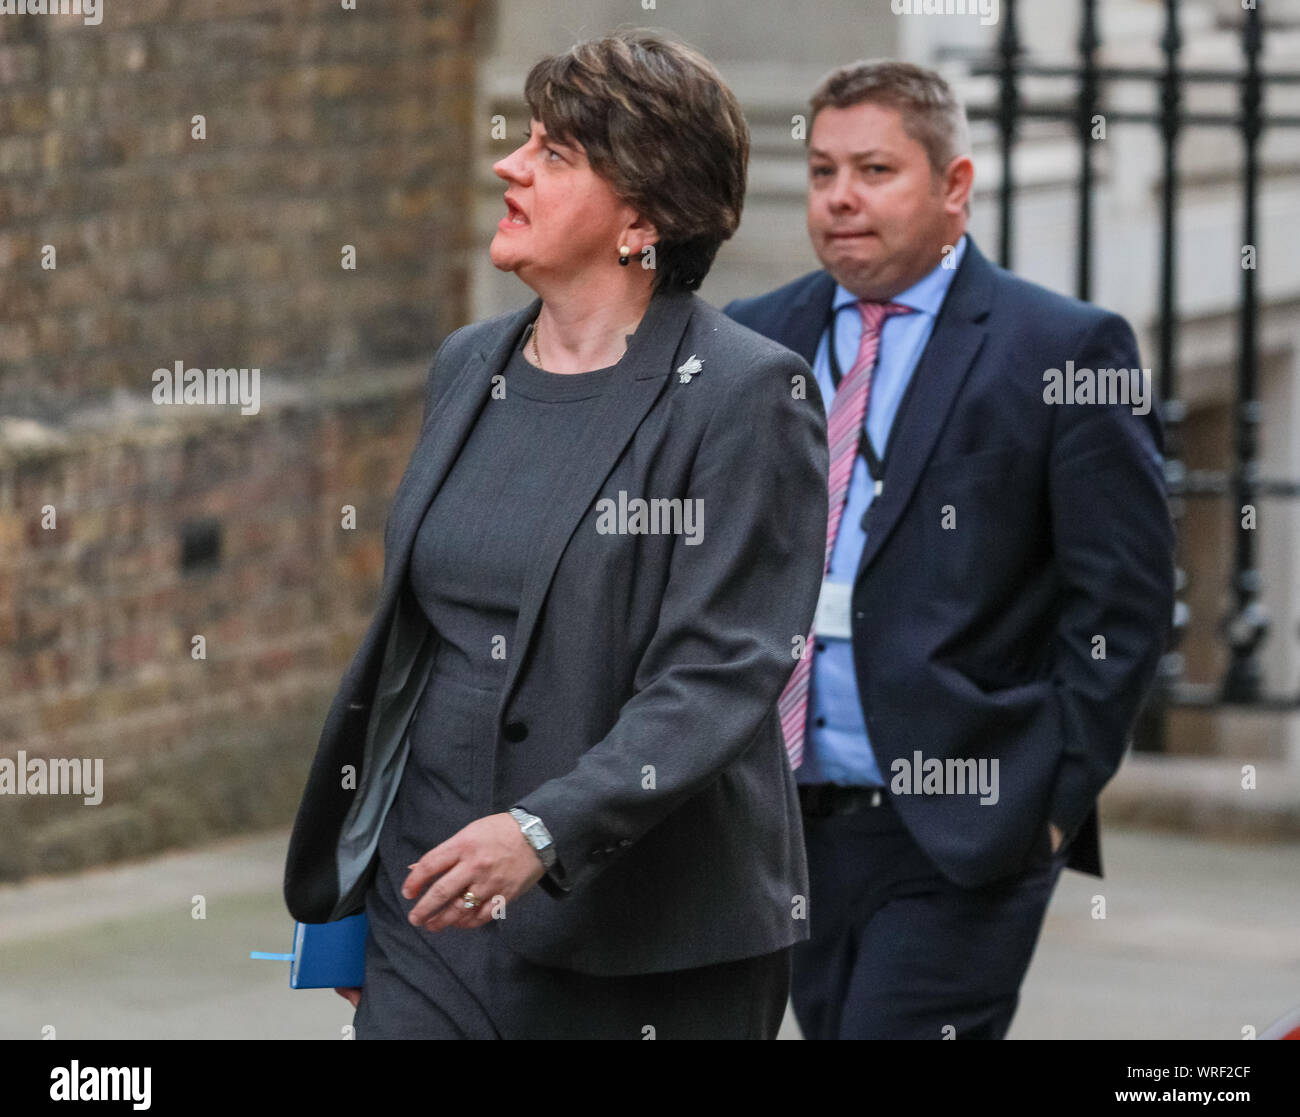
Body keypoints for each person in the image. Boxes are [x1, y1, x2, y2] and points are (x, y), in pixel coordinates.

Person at [282, 28, 829, 1039]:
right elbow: (416, 653)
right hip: (432, 909)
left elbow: (718, 674)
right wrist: (362, 888)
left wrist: (540, 830)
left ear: (640, 217)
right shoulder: (467, 364)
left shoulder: (746, 396)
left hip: (644, 944)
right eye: (525, 140)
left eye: (553, 153)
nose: (509, 165)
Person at [724, 59, 1174, 1039]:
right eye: (822, 171)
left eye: (875, 170)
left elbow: (1125, 600)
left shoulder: (1062, 348)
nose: (841, 196)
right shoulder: (752, 340)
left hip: (963, 821)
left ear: (953, 185)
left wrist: (1051, 801)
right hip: (782, 820)